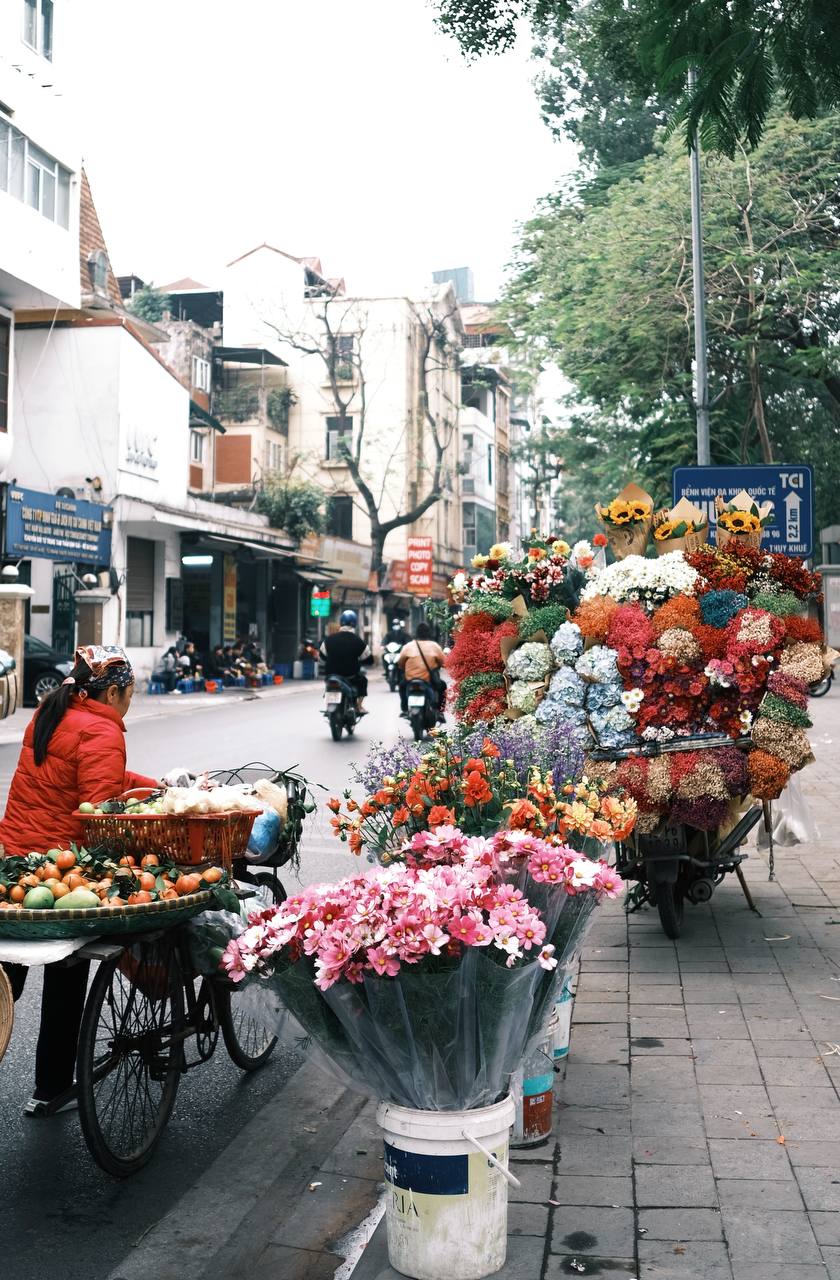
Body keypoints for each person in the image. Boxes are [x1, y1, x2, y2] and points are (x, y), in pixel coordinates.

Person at [0, 645, 158, 1116]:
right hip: (62, 866)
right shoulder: (101, 727)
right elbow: (100, 810)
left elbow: (87, 775)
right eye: (128, 695)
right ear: (111, 691)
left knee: (10, 967)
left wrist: (155, 785)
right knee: (66, 971)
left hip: (16, 858)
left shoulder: (54, 712)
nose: (128, 705)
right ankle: (50, 1088)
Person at [320, 610, 372, 712]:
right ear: (355, 624)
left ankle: (329, 704)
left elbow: (321, 659)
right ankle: (358, 706)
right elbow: (369, 659)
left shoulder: (329, 640)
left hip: (331, 675)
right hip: (350, 675)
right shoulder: (358, 641)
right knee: (363, 681)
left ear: (341, 623)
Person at [398, 622, 447, 720]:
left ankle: (404, 709)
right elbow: (444, 662)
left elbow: (400, 663)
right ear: (429, 633)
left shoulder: (408, 646)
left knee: (402, 686)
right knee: (443, 687)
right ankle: (440, 711)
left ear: (416, 633)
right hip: (428, 680)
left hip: (410, 680)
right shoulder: (434, 646)